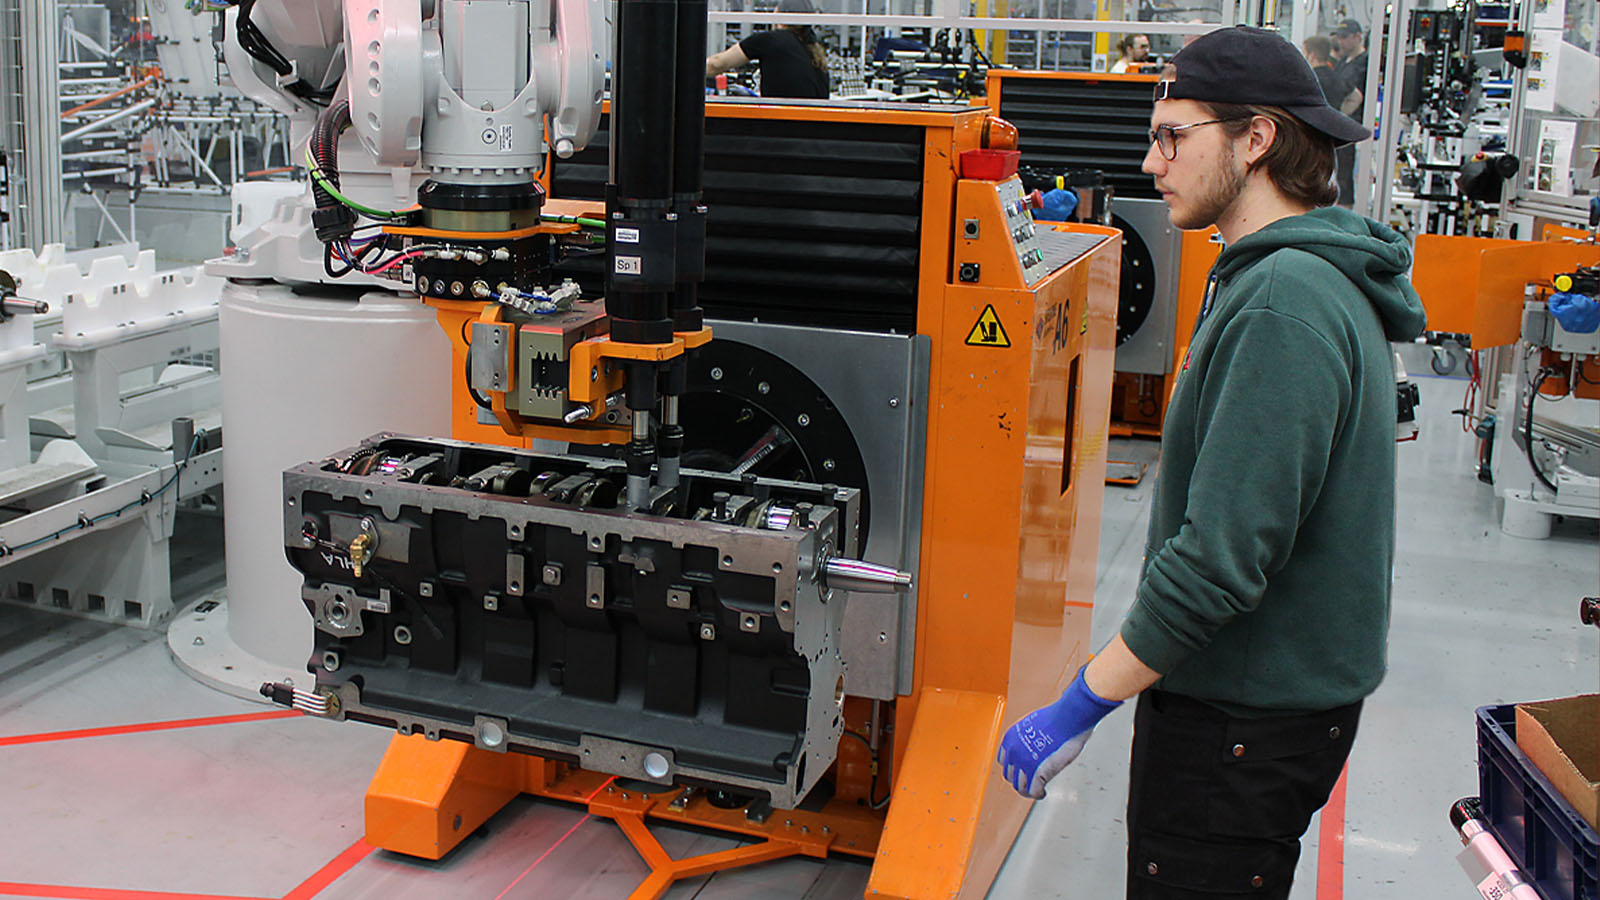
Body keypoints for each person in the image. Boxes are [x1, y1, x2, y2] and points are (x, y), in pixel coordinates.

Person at [995, 25, 1426, 900]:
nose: (1152, 164)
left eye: (1172, 135)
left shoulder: (1286, 301)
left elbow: (1221, 561)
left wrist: (1078, 704)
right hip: (1257, 704)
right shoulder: (1274, 275)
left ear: (1256, 138)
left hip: (1244, 720)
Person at [705, 0, 830, 100]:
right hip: (812, 127)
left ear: (779, 17)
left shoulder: (771, 40)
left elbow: (717, 64)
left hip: (779, 124)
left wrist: (687, 72)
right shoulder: (814, 50)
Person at [1330, 18, 1369, 207]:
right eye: (1339, 37)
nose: (1341, 42)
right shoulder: (1343, 61)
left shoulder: (1366, 62)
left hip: (1356, 125)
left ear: (1358, 37)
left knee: (1347, 176)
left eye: (1345, 37)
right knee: (1339, 175)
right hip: (1340, 124)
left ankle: (1346, 214)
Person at [1302, 34, 1342, 107]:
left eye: (1304, 53)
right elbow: (1356, 97)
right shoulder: (1336, 76)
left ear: (1312, 56)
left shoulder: (1310, 80)